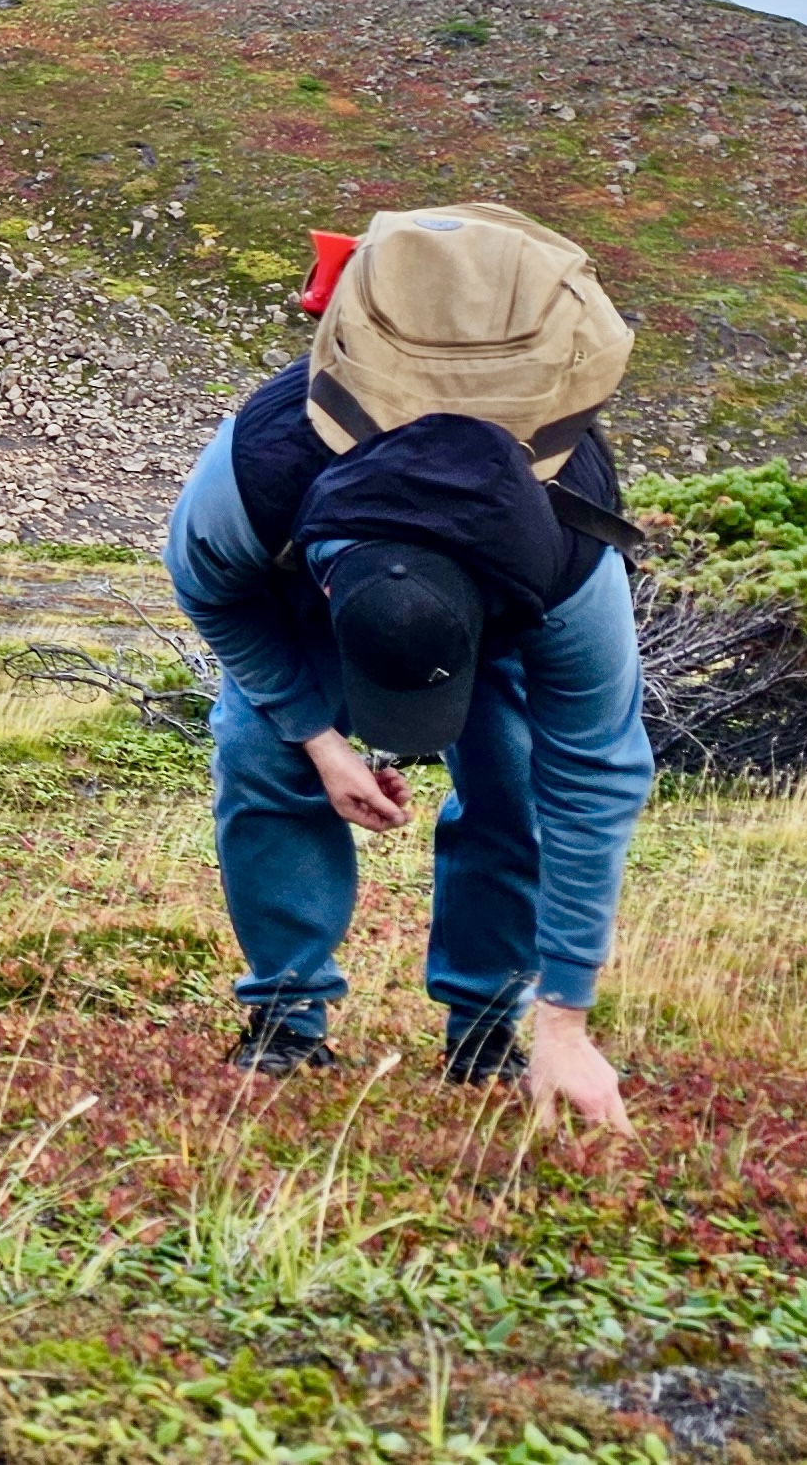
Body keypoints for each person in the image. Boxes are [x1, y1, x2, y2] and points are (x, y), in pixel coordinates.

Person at [161, 203, 653, 1132]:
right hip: (318, 589)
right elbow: (214, 596)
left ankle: (490, 1030)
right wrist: (317, 739)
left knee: (518, 790)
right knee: (260, 753)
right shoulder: (256, 479)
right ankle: (284, 1021)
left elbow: (593, 776)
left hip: (496, 593)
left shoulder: (567, 563)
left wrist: (567, 1020)